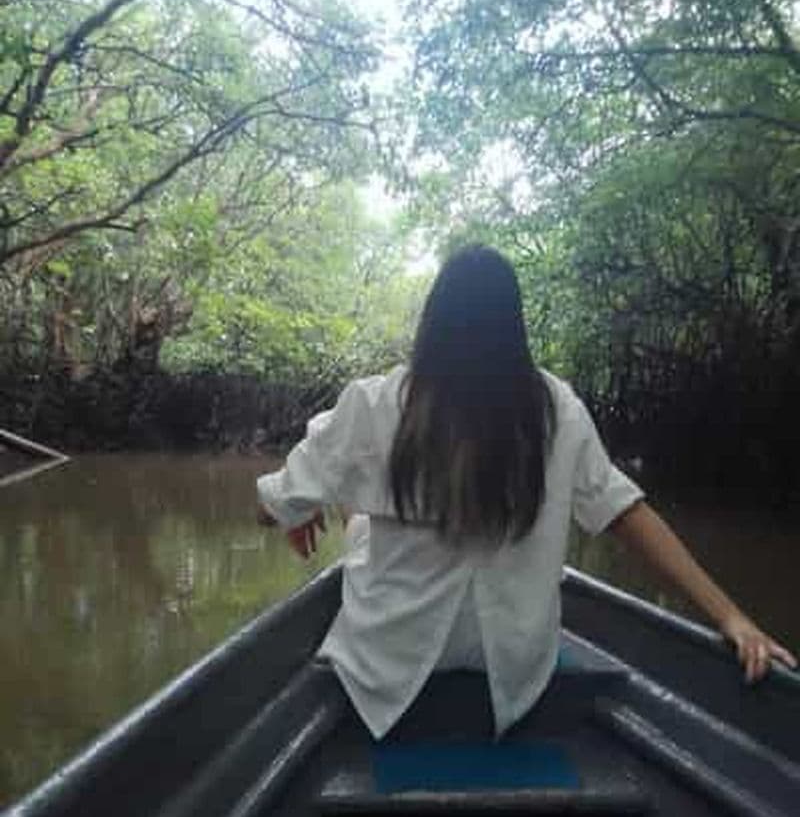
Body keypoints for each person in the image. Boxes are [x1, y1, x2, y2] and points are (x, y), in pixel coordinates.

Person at [256, 245, 796, 739]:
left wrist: (288, 509)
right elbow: (626, 513)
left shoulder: (374, 402)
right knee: (363, 513)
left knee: (359, 526)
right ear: (513, 327)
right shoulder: (556, 409)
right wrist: (729, 615)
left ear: (433, 323)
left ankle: (340, 501)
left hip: (389, 662)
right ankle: (343, 500)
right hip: (511, 669)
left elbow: (267, 505)